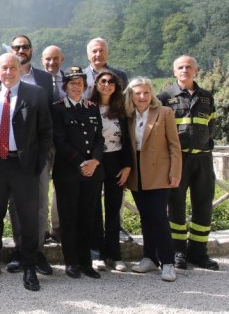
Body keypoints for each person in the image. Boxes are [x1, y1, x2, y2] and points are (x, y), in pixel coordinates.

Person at [0, 52, 53, 292]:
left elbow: (46, 132)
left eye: (12, 68)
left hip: (24, 165)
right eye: (3, 68)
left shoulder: (35, 94)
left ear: (19, 70)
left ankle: (29, 267)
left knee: (27, 219)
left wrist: (37, 165)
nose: (8, 72)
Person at [159, 55, 220, 270]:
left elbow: (210, 124)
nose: (184, 70)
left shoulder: (206, 97)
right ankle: (178, 252)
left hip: (203, 158)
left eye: (188, 67)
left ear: (196, 70)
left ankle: (199, 252)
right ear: (174, 71)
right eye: (180, 67)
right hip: (178, 159)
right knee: (175, 205)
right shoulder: (165, 96)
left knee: (203, 204)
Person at [7, 35, 58, 275]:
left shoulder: (46, 79)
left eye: (25, 47)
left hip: (39, 153)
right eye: (16, 47)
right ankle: (20, 250)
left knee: (39, 202)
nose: (21, 50)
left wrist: (47, 150)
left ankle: (36, 251)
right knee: (16, 204)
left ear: (31, 50)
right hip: (12, 155)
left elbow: (51, 116)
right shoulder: (5, 77)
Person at [124, 77, 182, 282]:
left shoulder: (164, 113)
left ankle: (168, 262)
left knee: (159, 217)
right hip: (137, 172)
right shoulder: (128, 115)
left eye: (146, 92)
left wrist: (175, 172)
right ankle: (149, 257)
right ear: (131, 95)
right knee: (146, 216)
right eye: (138, 93)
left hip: (159, 171)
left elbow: (175, 145)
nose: (142, 97)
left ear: (152, 94)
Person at [51, 67, 106, 279]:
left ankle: (85, 262)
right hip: (68, 172)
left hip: (92, 172)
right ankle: (71, 262)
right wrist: (81, 163)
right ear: (65, 86)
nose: (76, 87)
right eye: (72, 83)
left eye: (80, 84)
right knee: (69, 218)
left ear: (85, 86)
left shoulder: (92, 108)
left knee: (87, 217)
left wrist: (95, 161)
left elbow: (99, 138)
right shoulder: (57, 108)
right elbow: (60, 141)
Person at [83, 37, 132, 245]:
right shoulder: (79, 77)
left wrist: (128, 163)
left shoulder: (120, 76)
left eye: (101, 50)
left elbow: (128, 126)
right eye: (94, 51)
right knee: (92, 203)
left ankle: (114, 245)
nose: (98, 54)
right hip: (90, 154)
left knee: (114, 202)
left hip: (115, 156)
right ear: (88, 54)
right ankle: (95, 248)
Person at [88, 69, 133, 272]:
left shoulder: (121, 110)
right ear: (97, 84)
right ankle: (96, 253)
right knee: (94, 208)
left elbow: (128, 140)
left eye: (111, 82)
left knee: (114, 208)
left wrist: (127, 166)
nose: (107, 85)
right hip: (96, 161)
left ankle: (115, 255)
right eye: (103, 81)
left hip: (116, 160)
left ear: (116, 87)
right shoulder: (88, 107)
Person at [40, 44, 66, 241]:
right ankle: (41, 231)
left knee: (62, 187)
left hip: (65, 143)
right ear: (42, 61)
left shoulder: (72, 81)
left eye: (55, 58)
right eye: (48, 59)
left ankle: (58, 228)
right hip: (42, 143)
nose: (51, 62)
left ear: (62, 59)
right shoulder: (36, 82)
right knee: (40, 188)